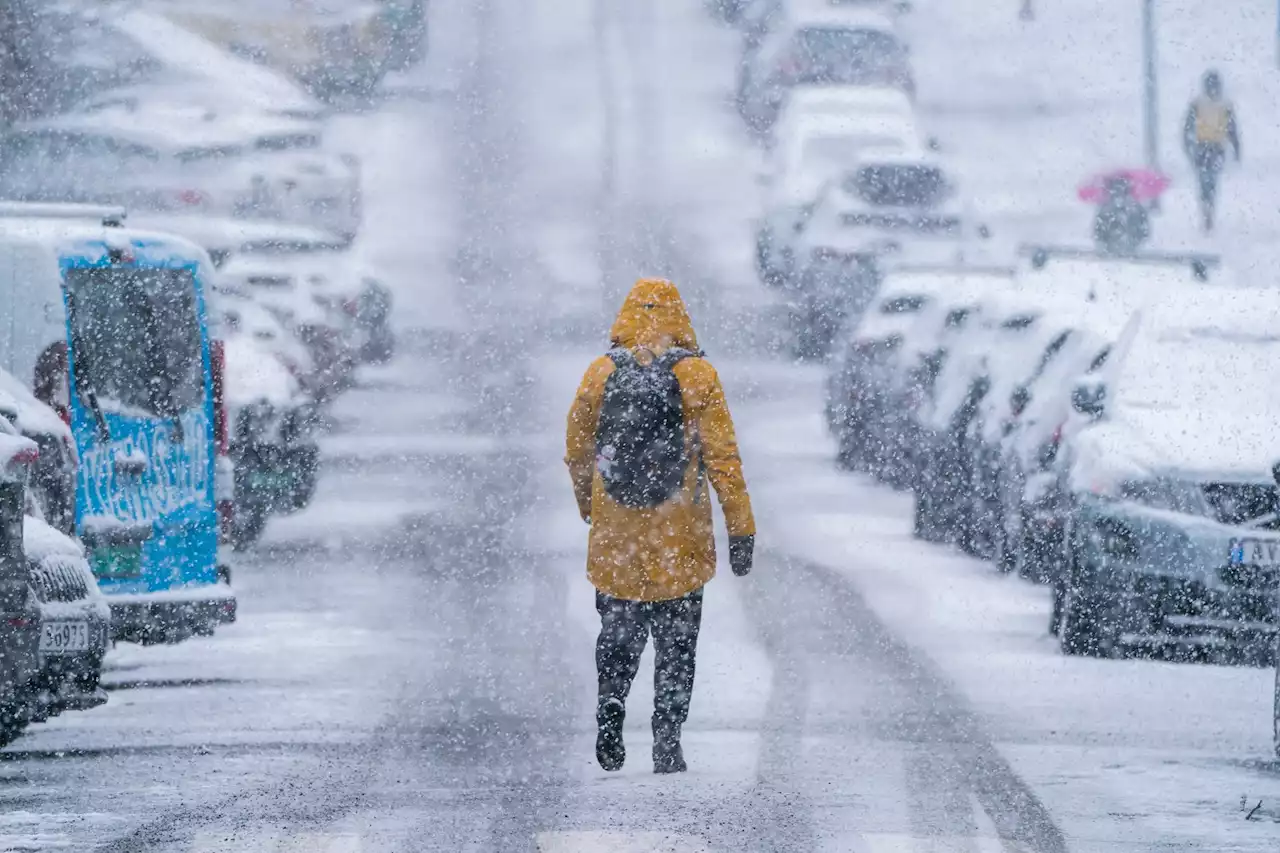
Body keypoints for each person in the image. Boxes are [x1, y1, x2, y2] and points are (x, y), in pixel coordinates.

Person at [565, 278, 755, 775]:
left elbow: (580, 452)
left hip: (617, 537)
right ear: (680, 318)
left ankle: (611, 702)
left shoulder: (600, 373)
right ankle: (667, 736)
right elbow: (724, 460)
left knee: (619, 632)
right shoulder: (699, 377)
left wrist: (591, 507)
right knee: (677, 645)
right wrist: (741, 529)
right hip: (681, 537)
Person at [1182, 69, 1240, 233]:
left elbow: (1232, 128)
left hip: (1214, 148)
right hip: (1204, 147)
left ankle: (1208, 209)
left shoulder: (1223, 105)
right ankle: (1207, 210)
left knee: (1209, 181)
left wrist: (1236, 147)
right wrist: (1188, 145)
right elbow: (1188, 127)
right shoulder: (1199, 104)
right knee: (1205, 180)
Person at [1092, 175, 1150, 255]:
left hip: (1128, 248)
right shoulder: (1106, 209)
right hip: (1113, 249)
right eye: (1117, 191)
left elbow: (1143, 230)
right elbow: (1099, 230)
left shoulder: (1135, 209)